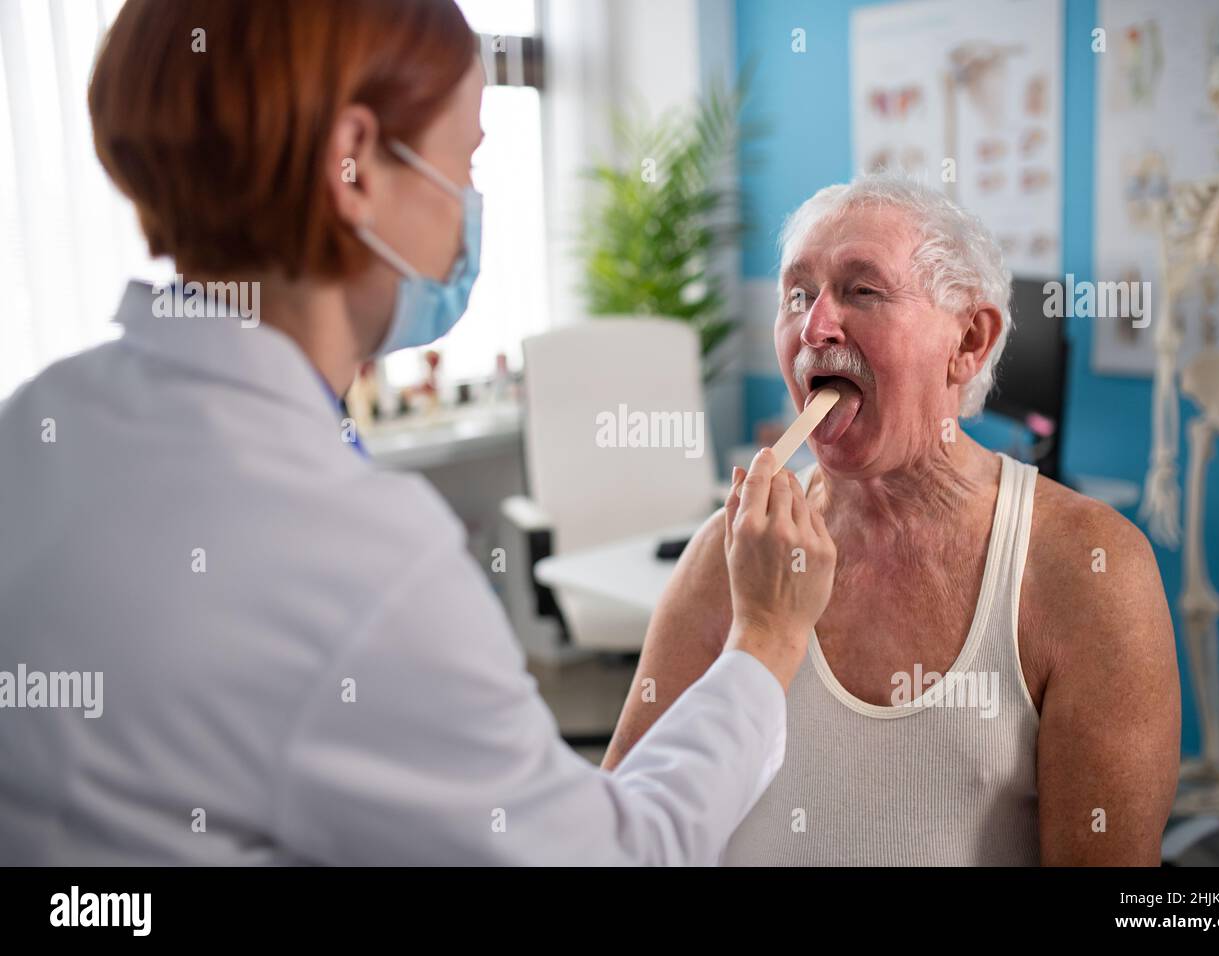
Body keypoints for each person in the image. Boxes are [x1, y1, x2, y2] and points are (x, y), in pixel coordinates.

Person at [0, 0, 835, 865]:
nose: (470, 206)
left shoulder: (35, 425)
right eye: (466, 158)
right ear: (354, 164)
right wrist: (764, 637)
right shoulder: (356, 560)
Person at [603, 175, 1181, 865]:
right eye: (797, 294)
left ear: (969, 340)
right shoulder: (729, 556)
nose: (815, 326)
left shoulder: (1090, 571)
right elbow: (619, 841)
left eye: (861, 290)